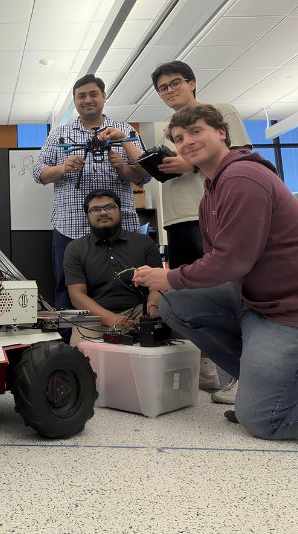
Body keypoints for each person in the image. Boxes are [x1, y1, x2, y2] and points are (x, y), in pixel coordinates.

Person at [133, 105, 298, 439]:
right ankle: (266, 385)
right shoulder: (211, 191)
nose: (187, 142)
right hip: (265, 303)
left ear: (221, 133)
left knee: (264, 419)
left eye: (196, 131)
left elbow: (232, 263)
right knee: (178, 301)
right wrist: (172, 280)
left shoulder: (242, 177)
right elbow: (220, 265)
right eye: (179, 138)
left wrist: (167, 276)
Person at [118, 60, 252, 403]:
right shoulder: (166, 129)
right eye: (162, 88)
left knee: (230, 295)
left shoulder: (220, 111)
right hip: (176, 219)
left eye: (174, 83)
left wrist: (190, 163)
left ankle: (246, 375)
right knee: (191, 298)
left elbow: (242, 154)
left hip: (212, 212)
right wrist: (128, 143)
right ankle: (205, 367)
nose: (169, 91)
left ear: (192, 82)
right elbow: (151, 169)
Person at [33, 74, 150, 310]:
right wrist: (63, 167)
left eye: (93, 94)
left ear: (104, 97)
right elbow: (38, 173)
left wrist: (123, 167)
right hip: (70, 227)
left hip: (120, 228)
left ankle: (129, 333)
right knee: (67, 292)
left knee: (125, 287)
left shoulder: (125, 130)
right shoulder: (59, 135)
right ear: (75, 100)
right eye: (81, 96)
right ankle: (68, 344)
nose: (87, 100)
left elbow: (145, 174)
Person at [63, 189, 163, 339]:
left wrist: (153, 306)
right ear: (87, 216)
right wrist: (111, 319)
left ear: (120, 211)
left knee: (175, 325)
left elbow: (158, 285)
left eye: (109, 207)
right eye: (95, 209)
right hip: (94, 317)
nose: (103, 213)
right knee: (80, 352)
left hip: (138, 312)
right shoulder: (75, 249)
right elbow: (77, 296)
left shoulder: (144, 243)